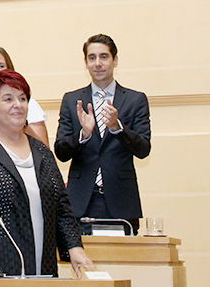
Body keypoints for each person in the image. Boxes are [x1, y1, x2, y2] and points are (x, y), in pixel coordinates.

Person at [0, 70, 94, 278]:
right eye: (8, 99)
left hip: (43, 267)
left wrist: (75, 247)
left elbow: (62, 207)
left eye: (22, 98)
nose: (18, 105)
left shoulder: (42, 152)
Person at [54, 34, 150, 236]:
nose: (98, 63)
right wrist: (83, 134)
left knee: (124, 264)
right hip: (82, 202)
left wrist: (118, 128)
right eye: (92, 58)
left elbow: (143, 149)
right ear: (86, 63)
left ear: (115, 60)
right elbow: (61, 151)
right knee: (83, 264)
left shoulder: (135, 100)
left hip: (121, 201)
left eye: (104, 57)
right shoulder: (72, 100)